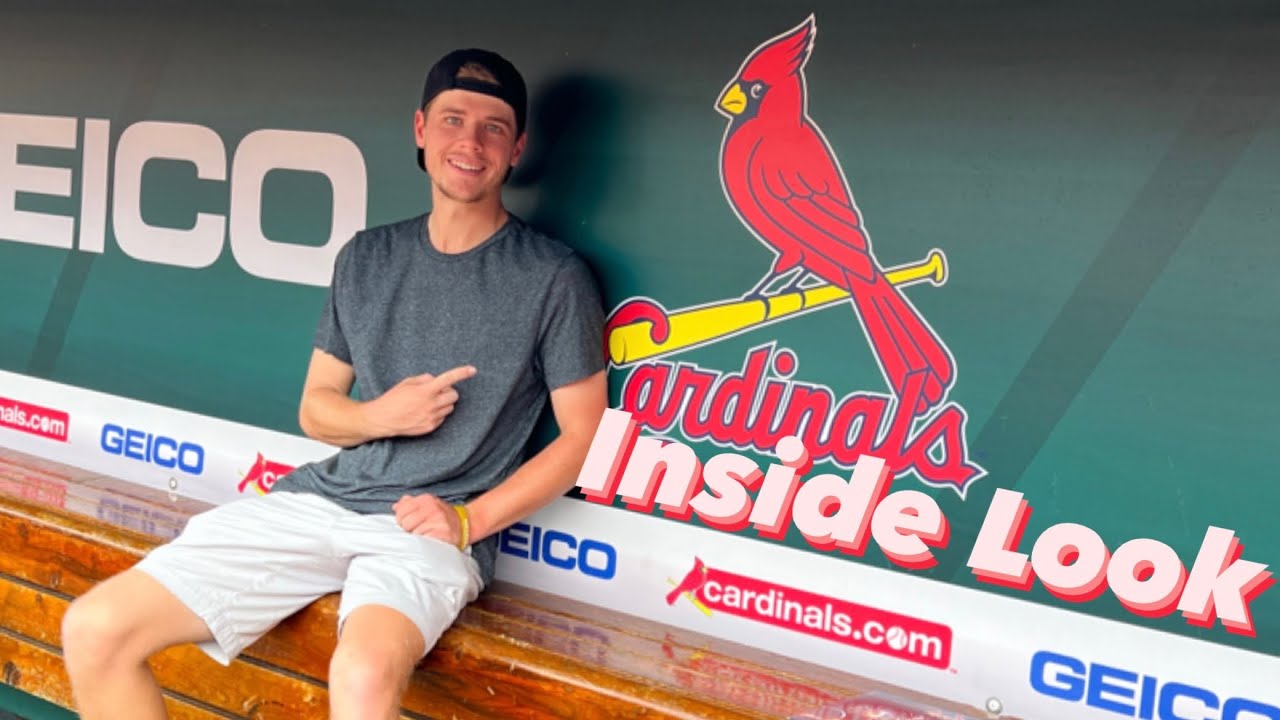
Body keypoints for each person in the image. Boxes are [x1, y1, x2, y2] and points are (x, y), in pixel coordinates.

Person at [61, 48, 607, 720]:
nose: (470, 142)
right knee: (94, 630)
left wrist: (469, 520)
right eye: (452, 119)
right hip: (320, 502)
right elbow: (317, 410)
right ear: (419, 129)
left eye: (493, 127)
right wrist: (384, 416)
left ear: (517, 147)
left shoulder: (554, 276)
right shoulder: (367, 256)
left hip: (427, 531)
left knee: (362, 677)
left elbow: (586, 436)